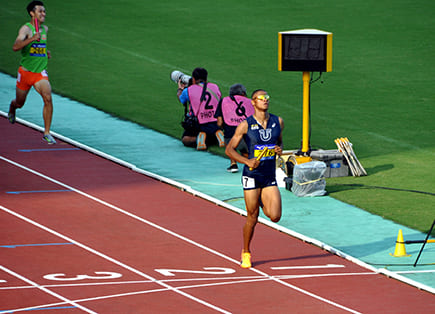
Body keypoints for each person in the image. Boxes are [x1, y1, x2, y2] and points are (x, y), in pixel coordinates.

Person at [225, 89, 284, 268]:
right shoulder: (245, 125)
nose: (265, 101)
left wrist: (279, 149)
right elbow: (229, 150)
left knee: (275, 216)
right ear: (253, 102)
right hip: (251, 175)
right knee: (253, 217)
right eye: (261, 98)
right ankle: (246, 251)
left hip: (268, 175)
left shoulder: (277, 121)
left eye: (267, 98)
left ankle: (260, 199)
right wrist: (246, 161)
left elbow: (279, 142)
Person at [8, 1, 56, 144]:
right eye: (40, 11)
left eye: (44, 11)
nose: (43, 14)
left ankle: (47, 132)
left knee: (48, 97)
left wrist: (44, 52)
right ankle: (12, 106)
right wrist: (31, 39)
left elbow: (39, 46)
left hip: (39, 73)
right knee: (20, 103)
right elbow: (15, 47)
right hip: (25, 73)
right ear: (32, 13)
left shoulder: (44, 29)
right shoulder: (26, 29)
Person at [177, 67, 225, 150]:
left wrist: (180, 89)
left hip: (200, 124)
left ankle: (202, 138)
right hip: (217, 122)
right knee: (213, 127)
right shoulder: (215, 87)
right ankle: (218, 134)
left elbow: (182, 99)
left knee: (185, 139)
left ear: (194, 79)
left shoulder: (188, 90)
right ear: (206, 78)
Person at [215, 83, 254, 173]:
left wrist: (223, 128)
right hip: (249, 135)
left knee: (230, 147)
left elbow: (219, 122)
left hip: (231, 135)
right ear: (243, 93)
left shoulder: (223, 101)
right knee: (246, 151)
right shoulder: (250, 102)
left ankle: (233, 164)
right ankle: (251, 163)